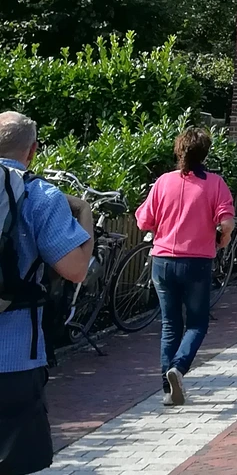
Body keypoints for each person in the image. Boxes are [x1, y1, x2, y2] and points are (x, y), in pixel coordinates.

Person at [0, 111, 93, 474]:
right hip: (15, 358)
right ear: (33, 151)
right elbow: (75, 270)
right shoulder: (41, 196)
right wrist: (83, 211)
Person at [135, 127, 236, 408]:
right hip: (196, 262)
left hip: (163, 261)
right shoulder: (215, 184)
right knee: (197, 322)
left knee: (170, 324)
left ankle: (168, 390)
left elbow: (143, 221)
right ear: (205, 153)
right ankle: (178, 368)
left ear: (178, 151)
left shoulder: (163, 182)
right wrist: (221, 240)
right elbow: (227, 223)